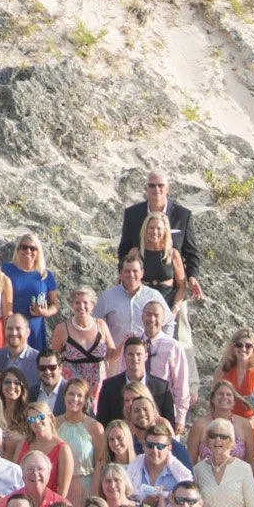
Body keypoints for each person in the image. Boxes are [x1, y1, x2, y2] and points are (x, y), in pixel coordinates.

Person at [118, 170, 201, 302]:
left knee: (181, 322)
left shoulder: (182, 216)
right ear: (145, 189)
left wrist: (192, 276)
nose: (156, 189)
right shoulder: (132, 214)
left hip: (174, 290)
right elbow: (124, 250)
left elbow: (191, 252)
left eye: (161, 185)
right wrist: (122, 273)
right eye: (152, 185)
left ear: (167, 188)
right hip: (140, 291)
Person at [92, 254, 164, 374]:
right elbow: (94, 325)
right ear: (120, 273)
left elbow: (168, 322)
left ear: (142, 273)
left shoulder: (154, 296)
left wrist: (160, 346)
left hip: (146, 356)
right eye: (127, 271)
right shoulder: (108, 297)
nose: (131, 275)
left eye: (135, 271)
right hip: (117, 359)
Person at [96, 335, 176, 433]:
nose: (135, 358)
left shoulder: (162, 388)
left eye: (139, 354)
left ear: (146, 356)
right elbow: (102, 423)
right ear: (124, 356)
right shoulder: (109, 386)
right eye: (130, 354)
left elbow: (170, 424)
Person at [51, 287, 113, 410]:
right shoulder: (62, 329)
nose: (81, 306)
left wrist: (124, 343)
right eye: (77, 302)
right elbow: (54, 359)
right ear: (72, 305)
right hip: (73, 390)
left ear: (92, 305)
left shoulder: (101, 325)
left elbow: (112, 355)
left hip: (98, 388)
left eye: (85, 302)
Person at [140, 298, 193, 432]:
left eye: (156, 316)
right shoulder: (134, 343)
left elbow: (181, 384)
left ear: (163, 320)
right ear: (142, 316)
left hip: (164, 406)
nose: (152, 319)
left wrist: (180, 417)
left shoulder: (173, 346)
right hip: (138, 408)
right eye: (148, 314)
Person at [1, 236, 59, 350]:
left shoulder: (45, 275)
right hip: (10, 327)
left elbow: (55, 304)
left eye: (33, 248)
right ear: (17, 250)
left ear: (38, 252)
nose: (28, 251)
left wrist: (45, 312)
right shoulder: (4, 270)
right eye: (24, 247)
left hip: (34, 328)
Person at [0, 313, 40, 396]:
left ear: (28, 332)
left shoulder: (38, 360)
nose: (14, 333)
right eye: (10, 329)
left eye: (18, 328)